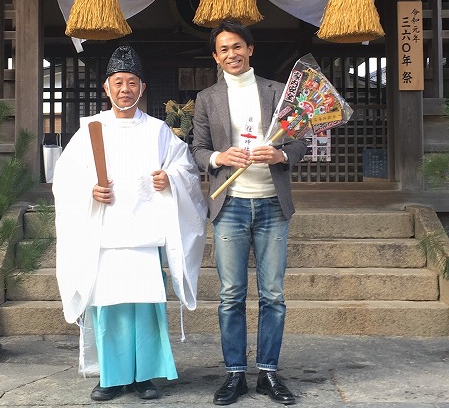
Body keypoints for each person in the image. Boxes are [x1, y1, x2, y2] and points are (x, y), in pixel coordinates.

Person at [53, 45, 207, 402]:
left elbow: (185, 168)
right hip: (105, 235)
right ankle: (111, 375)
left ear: (143, 87)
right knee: (109, 307)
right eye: (118, 82)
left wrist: (169, 179)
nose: (125, 89)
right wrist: (90, 191)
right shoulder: (91, 129)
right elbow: (66, 179)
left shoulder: (158, 131)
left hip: (145, 235)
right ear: (106, 89)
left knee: (146, 306)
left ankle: (145, 377)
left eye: (132, 82)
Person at [191, 21, 308, 406]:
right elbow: (197, 149)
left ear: (250, 49)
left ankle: (270, 373)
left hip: (273, 203)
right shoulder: (207, 98)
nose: (231, 54)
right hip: (231, 205)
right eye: (223, 49)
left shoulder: (277, 92)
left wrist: (281, 154)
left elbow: (299, 139)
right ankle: (235, 374)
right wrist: (218, 157)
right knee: (231, 294)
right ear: (215, 56)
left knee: (273, 294)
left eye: (237, 46)